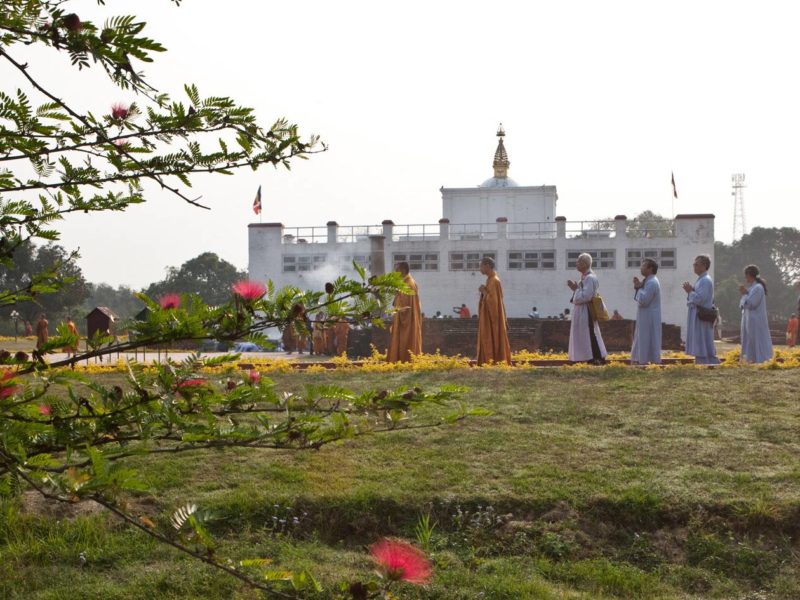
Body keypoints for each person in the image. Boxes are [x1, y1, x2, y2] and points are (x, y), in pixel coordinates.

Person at [567, 253, 607, 364]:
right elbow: (580, 294)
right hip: (581, 310)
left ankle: (597, 358)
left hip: (587, 310)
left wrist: (576, 289)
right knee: (583, 334)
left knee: (589, 334)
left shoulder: (590, 278)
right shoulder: (583, 279)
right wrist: (575, 289)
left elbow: (586, 296)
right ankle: (586, 357)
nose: (576, 264)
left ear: (584, 264)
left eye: (578, 262)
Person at [682, 254, 720, 365]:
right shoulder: (701, 280)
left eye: (696, 264)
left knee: (703, 339)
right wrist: (692, 291)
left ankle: (707, 361)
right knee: (701, 339)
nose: (694, 266)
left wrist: (690, 291)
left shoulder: (705, 280)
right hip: (698, 315)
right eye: (694, 264)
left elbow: (700, 299)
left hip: (702, 315)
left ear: (704, 266)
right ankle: (704, 360)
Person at [476, 257, 512, 365]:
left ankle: (494, 361)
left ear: (487, 266)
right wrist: (484, 292)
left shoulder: (495, 281)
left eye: (481, 266)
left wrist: (484, 291)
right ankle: (486, 361)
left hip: (492, 320)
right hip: (487, 318)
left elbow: (493, 303)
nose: (480, 269)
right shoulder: (490, 280)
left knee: (493, 338)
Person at [387, 262, 423, 363]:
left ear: (402, 270)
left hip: (406, 323)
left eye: (396, 271)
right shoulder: (407, 282)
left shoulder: (408, 284)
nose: (395, 273)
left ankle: (403, 360)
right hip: (408, 320)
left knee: (405, 341)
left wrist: (397, 296)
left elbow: (405, 308)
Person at [739, 265, 773, 364]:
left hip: (756, 319)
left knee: (756, 339)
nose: (745, 278)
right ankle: (749, 358)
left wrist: (745, 294)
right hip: (748, 318)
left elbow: (752, 303)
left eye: (746, 275)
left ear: (750, 275)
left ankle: (760, 358)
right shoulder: (751, 288)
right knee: (748, 339)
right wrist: (745, 294)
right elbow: (742, 304)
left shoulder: (758, 287)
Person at [631, 258, 662, 364]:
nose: (641, 268)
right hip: (645, 317)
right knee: (642, 338)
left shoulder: (652, 282)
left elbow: (644, 300)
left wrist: (638, 288)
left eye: (643, 266)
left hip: (649, 318)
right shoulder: (648, 281)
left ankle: (646, 361)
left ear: (650, 268)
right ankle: (640, 360)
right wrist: (638, 287)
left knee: (647, 339)